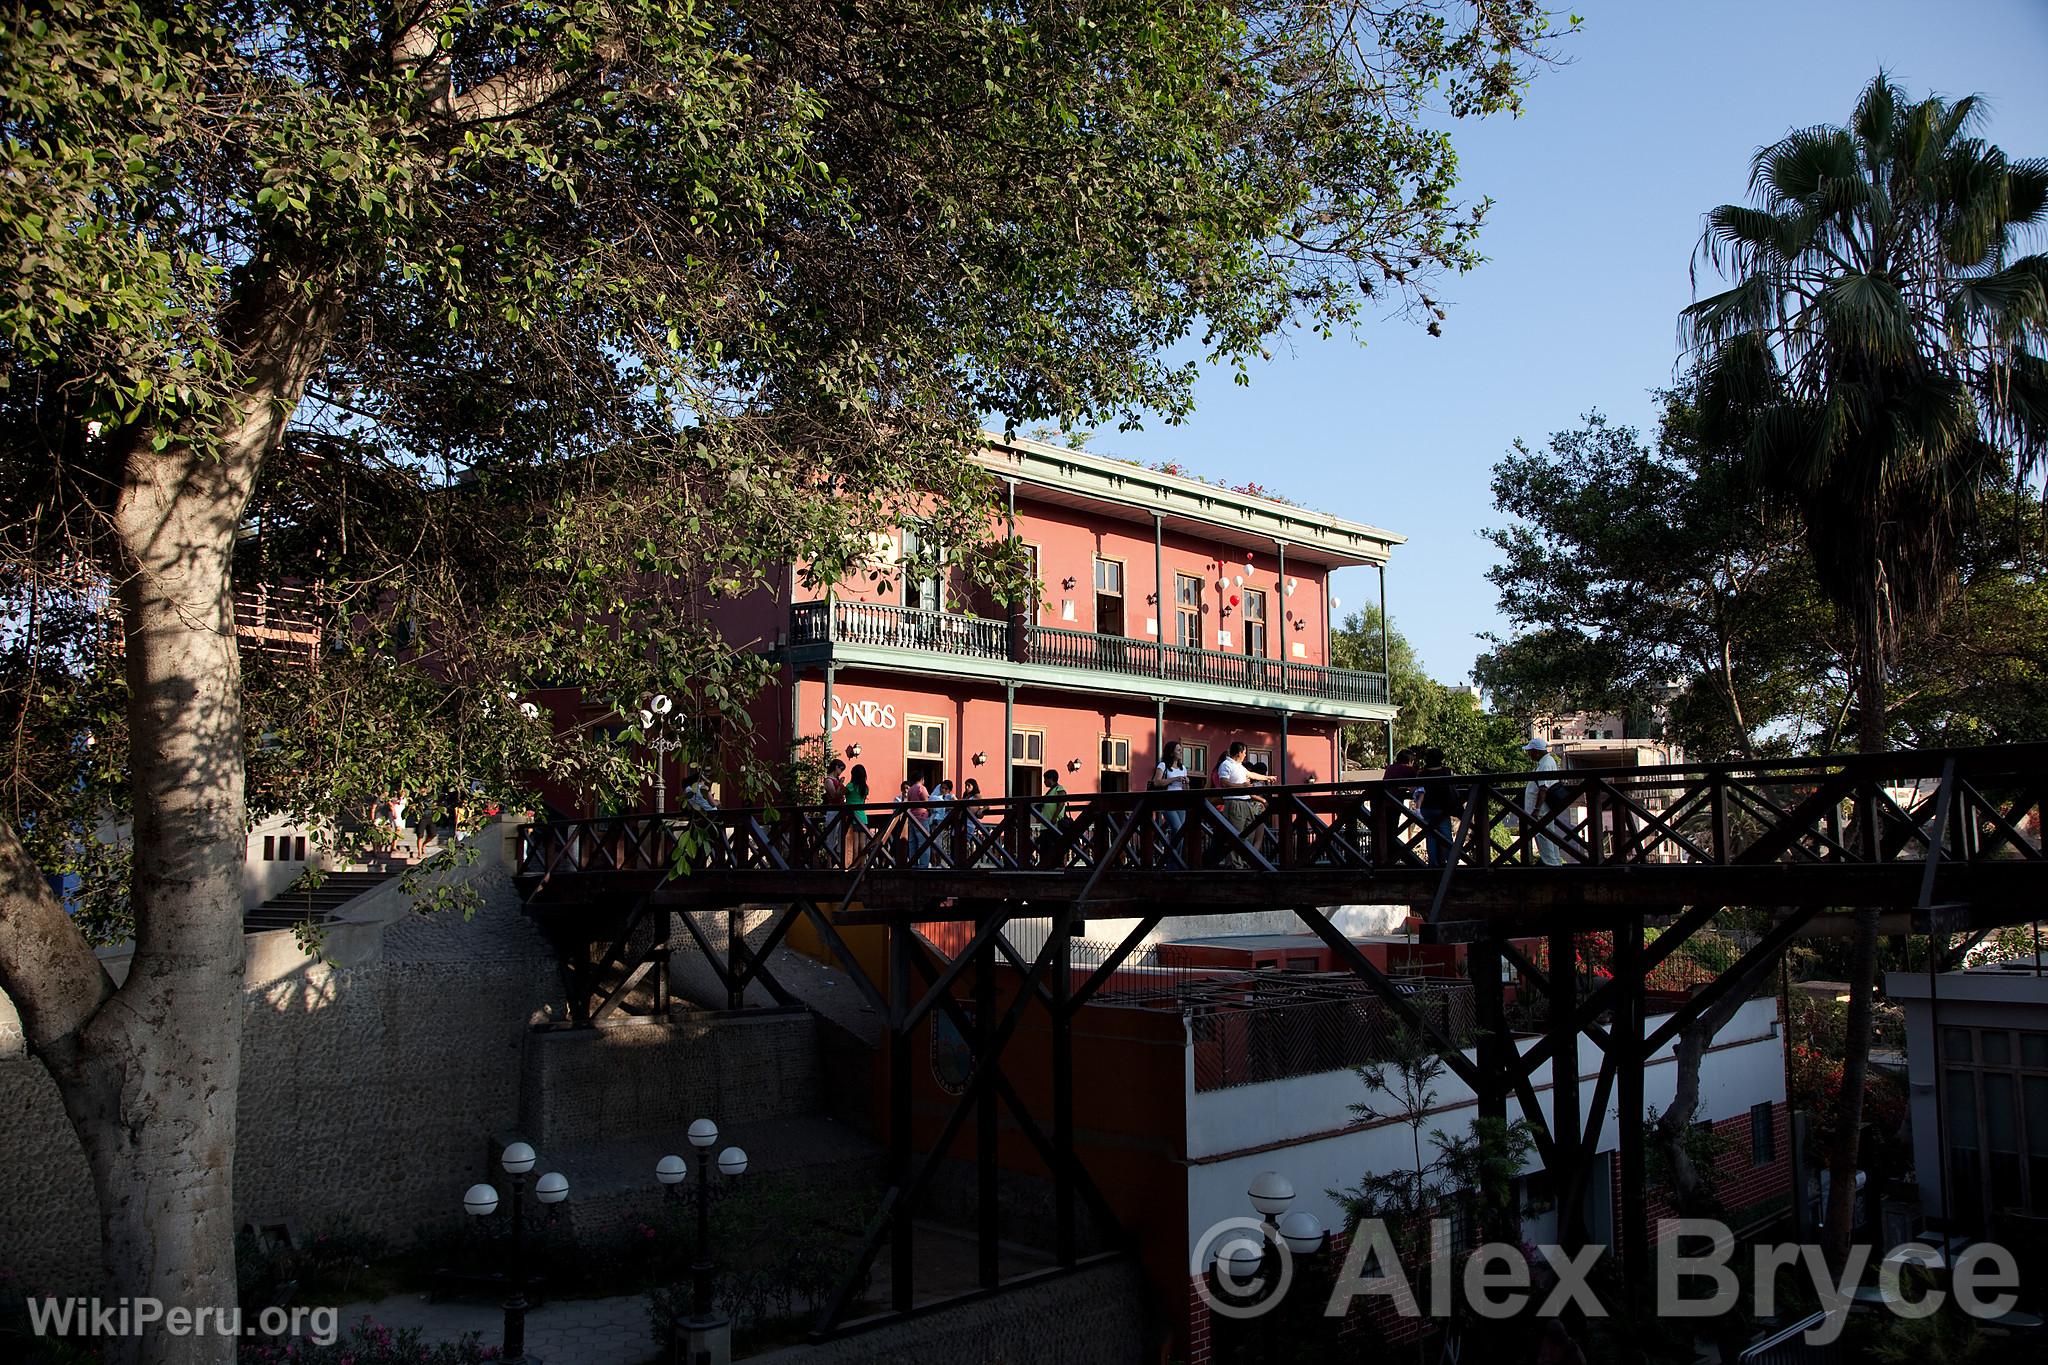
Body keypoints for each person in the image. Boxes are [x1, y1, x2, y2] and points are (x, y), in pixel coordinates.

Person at [1213, 741, 1275, 865]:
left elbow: (1251, 774)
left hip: (1246, 802)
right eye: (1244, 753)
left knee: (1249, 833)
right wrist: (1241, 786)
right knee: (1236, 834)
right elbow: (1224, 783)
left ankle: (1244, 862)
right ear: (1239, 752)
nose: (1245, 755)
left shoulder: (1239, 766)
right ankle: (1234, 865)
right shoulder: (1226, 765)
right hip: (1234, 802)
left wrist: (1267, 778)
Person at [1519, 736, 1564, 866]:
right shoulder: (1547, 761)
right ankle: (1554, 862)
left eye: (1530, 751)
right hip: (1543, 808)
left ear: (1536, 751)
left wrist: (1536, 809)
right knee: (1548, 834)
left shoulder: (1545, 764)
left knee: (1543, 836)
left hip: (1541, 810)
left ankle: (1550, 864)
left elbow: (1543, 788)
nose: (1529, 754)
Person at [1150, 740, 1191, 867]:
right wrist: (1175, 779)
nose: (1180, 752)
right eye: (1178, 750)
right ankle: (1171, 862)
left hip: (1181, 802)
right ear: (1171, 752)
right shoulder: (1163, 765)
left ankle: (1174, 863)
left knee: (1180, 833)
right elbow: (1156, 782)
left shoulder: (1182, 768)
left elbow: (1186, 790)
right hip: (1167, 801)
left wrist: (1186, 782)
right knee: (1177, 828)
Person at [1415, 746, 1457, 866]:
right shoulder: (1446, 772)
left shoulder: (1422, 774)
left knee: (1430, 837)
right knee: (1446, 836)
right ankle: (1450, 862)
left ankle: (1433, 863)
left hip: (1426, 808)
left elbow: (1419, 790)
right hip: (1442, 808)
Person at [1036, 768, 1070, 867]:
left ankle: (1055, 866)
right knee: (1044, 847)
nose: (1044, 782)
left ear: (1051, 779)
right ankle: (1046, 866)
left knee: (1053, 847)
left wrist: (1054, 817)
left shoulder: (1059, 788)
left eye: (1045, 779)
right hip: (1046, 825)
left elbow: (1062, 802)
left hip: (1054, 825)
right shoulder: (1050, 791)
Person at [822, 758, 849, 866]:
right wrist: (841, 785)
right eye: (841, 769)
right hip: (833, 810)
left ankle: (839, 862)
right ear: (836, 767)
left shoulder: (836, 780)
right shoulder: (828, 781)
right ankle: (829, 864)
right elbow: (833, 795)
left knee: (842, 836)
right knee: (831, 837)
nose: (841, 771)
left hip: (841, 811)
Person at [904, 773, 932, 866]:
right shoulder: (921, 788)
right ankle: (923, 865)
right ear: (922, 779)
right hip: (922, 817)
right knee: (924, 842)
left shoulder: (911, 789)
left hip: (912, 817)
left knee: (913, 842)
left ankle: (913, 864)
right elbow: (926, 802)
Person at [845, 763, 871, 857]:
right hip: (863, 817)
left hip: (852, 816)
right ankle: (862, 864)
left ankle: (854, 864)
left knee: (855, 844)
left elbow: (843, 793)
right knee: (862, 844)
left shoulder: (850, 786)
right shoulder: (865, 788)